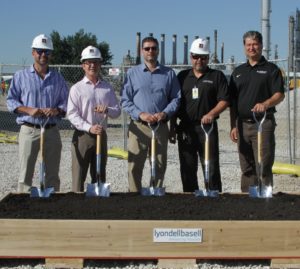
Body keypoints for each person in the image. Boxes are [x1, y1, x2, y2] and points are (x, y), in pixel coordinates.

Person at [6, 34, 69, 192]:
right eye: (40, 51)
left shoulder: (58, 78)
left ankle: (51, 208)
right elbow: (11, 101)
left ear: (51, 54)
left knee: (53, 175)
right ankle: (24, 209)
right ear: (33, 52)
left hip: (51, 130)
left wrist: (56, 110)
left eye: (47, 52)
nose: (43, 55)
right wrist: (28, 110)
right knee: (25, 174)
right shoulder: (21, 77)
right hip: (29, 129)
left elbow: (67, 102)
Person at [121, 36, 181, 192]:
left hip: (160, 127)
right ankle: (134, 197)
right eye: (147, 48)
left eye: (154, 48)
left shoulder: (169, 74)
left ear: (158, 51)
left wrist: (165, 113)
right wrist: (140, 114)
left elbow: (176, 98)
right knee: (134, 165)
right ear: (142, 51)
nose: (150, 51)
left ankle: (155, 197)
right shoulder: (132, 73)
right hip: (139, 127)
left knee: (159, 165)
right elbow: (125, 100)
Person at [169, 38, 230, 193]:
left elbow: (224, 100)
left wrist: (211, 113)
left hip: (207, 128)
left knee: (211, 164)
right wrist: (172, 127)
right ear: (191, 56)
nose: (199, 60)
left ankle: (213, 194)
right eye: (196, 56)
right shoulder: (182, 77)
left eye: (203, 57)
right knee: (187, 166)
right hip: (186, 128)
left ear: (208, 58)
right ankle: (190, 197)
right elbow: (174, 103)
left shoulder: (216, 76)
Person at [229, 30, 285, 192]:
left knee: (263, 164)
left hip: (263, 123)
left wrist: (265, 103)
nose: (252, 48)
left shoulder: (271, 70)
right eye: (248, 44)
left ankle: (264, 201)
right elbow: (233, 102)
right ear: (244, 47)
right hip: (242, 125)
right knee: (246, 167)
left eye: (255, 44)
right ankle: (248, 200)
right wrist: (233, 125)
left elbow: (279, 94)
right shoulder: (238, 72)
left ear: (261, 46)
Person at [67, 46, 121, 192]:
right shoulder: (76, 89)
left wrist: (107, 110)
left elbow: (117, 112)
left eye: (96, 62)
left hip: (101, 136)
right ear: (83, 65)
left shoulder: (107, 88)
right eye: (88, 62)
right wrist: (88, 127)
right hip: (82, 136)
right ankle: (77, 206)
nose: (92, 65)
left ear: (100, 64)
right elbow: (72, 114)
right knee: (78, 176)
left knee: (99, 175)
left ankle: (98, 208)